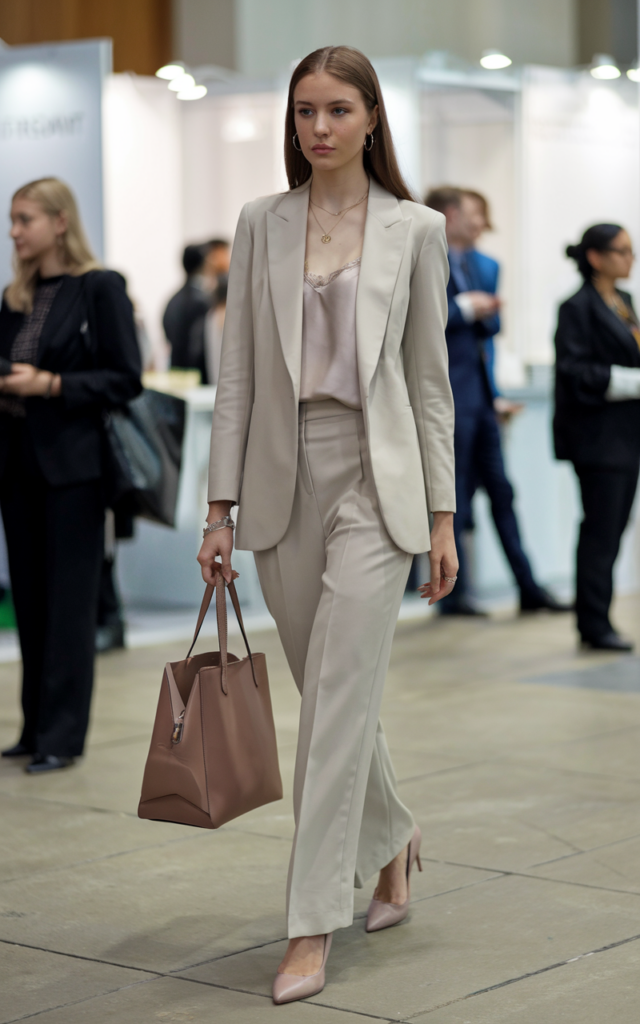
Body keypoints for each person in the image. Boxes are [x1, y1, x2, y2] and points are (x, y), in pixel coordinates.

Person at [197, 46, 457, 1005]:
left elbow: (431, 388)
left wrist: (441, 515)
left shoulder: (416, 228)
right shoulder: (261, 223)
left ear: (372, 119)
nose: (318, 128)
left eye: (338, 110)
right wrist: (217, 509)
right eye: (305, 110)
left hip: (376, 486)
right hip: (279, 480)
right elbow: (237, 380)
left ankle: (311, 923)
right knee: (331, 694)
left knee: (333, 711)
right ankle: (394, 842)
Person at [0, 177, 141, 772]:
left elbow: (126, 377)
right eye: (12, 220)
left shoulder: (98, 288)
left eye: (25, 218)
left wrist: (52, 384)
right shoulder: (14, 297)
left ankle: (62, 736)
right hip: (18, 466)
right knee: (30, 602)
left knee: (68, 606)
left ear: (60, 221)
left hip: (75, 470)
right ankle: (34, 729)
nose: (15, 231)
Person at [425, 186, 570, 616]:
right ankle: (454, 595)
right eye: (474, 214)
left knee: (503, 495)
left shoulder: (483, 265)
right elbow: (420, 323)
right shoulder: (425, 261)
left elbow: (490, 334)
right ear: (450, 215)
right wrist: (465, 309)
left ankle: (528, 588)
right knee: (455, 500)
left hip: (482, 400)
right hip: (447, 400)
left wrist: (495, 394)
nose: (481, 223)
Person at [555, 225, 640, 651]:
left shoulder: (623, 302)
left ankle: (598, 619)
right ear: (595, 257)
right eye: (623, 251)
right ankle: (594, 624)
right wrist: (631, 382)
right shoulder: (577, 308)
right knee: (601, 532)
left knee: (615, 528)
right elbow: (573, 372)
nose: (631, 259)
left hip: (626, 437)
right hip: (598, 440)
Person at [163, 239, 229, 384]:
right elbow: (202, 347)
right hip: (196, 380)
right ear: (204, 264)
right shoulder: (202, 301)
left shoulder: (173, 299)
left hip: (176, 375)